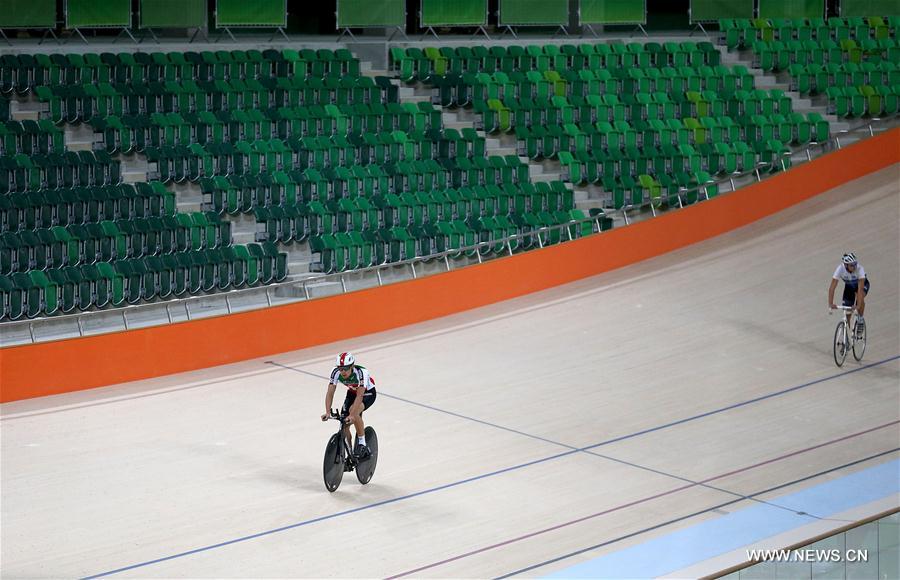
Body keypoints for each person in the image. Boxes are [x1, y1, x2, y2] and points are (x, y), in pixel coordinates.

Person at [320, 352, 376, 459]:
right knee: (344, 424)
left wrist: (352, 415)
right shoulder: (335, 372)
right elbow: (330, 392)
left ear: (352, 366)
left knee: (353, 412)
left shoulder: (361, 373)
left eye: (345, 368)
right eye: (340, 368)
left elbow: (359, 396)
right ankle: (350, 454)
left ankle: (362, 443)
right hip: (352, 392)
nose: (343, 372)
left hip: (367, 393)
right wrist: (327, 411)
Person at [828, 252, 869, 337]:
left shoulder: (860, 269)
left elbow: (860, 289)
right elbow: (832, 287)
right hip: (849, 287)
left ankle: (860, 319)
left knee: (859, 297)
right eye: (851, 265)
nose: (854, 266)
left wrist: (858, 306)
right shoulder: (840, 269)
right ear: (846, 265)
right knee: (848, 313)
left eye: (855, 264)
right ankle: (846, 338)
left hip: (862, 285)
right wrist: (830, 303)